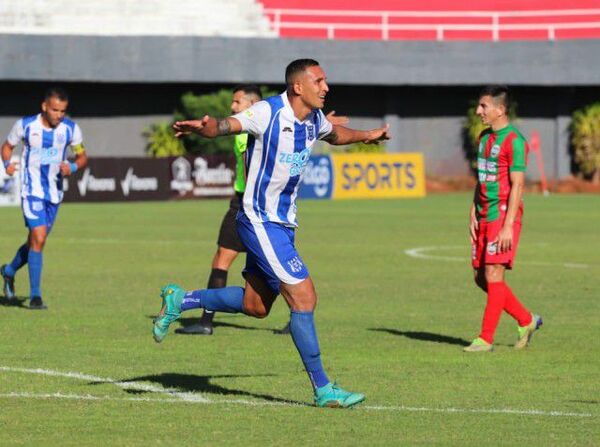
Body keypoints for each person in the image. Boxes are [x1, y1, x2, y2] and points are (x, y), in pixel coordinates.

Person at [153, 59, 389, 408]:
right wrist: (206, 128)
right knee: (305, 298)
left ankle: (180, 301)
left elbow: (336, 134)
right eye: (319, 81)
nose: (326, 87)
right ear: (298, 86)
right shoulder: (268, 112)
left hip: (283, 224)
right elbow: (227, 125)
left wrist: (367, 136)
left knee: (256, 305)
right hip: (259, 220)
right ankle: (323, 388)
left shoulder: (313, 119)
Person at [177, 85, 349, 336]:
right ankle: (297, 316)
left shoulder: (250, 128)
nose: (233, 107)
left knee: (227, 261)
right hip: (262, 208)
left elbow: (253, 166)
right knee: (269, 277)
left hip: (250, 206)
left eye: (238, 102)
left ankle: (205, 321)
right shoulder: (269, 122)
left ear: (252, 104)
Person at [464, 85, 542, 352]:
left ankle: (485, 339)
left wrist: (509, 225)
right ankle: (526, 319)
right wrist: (474, 209)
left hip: (503, 216)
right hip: (484, 214)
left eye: (484, 106)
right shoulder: (484, 138)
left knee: (493, 273)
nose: (478, 111)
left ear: (501, 109)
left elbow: (518, 185)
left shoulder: (515, 142)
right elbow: (482, 178)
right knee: (481, 278)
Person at [0, 87, 88, 309]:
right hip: (31, 192)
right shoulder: (26, 125)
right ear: (44, 107)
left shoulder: (70, 130)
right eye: (55, 110)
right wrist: (7, 165)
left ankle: (8, 271)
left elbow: (82, 156)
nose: (59, 115)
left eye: (63, 111)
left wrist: (73, 166)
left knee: (35, 242)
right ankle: (35, 296)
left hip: (54, 194)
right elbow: (7, 148)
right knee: (38, 238)